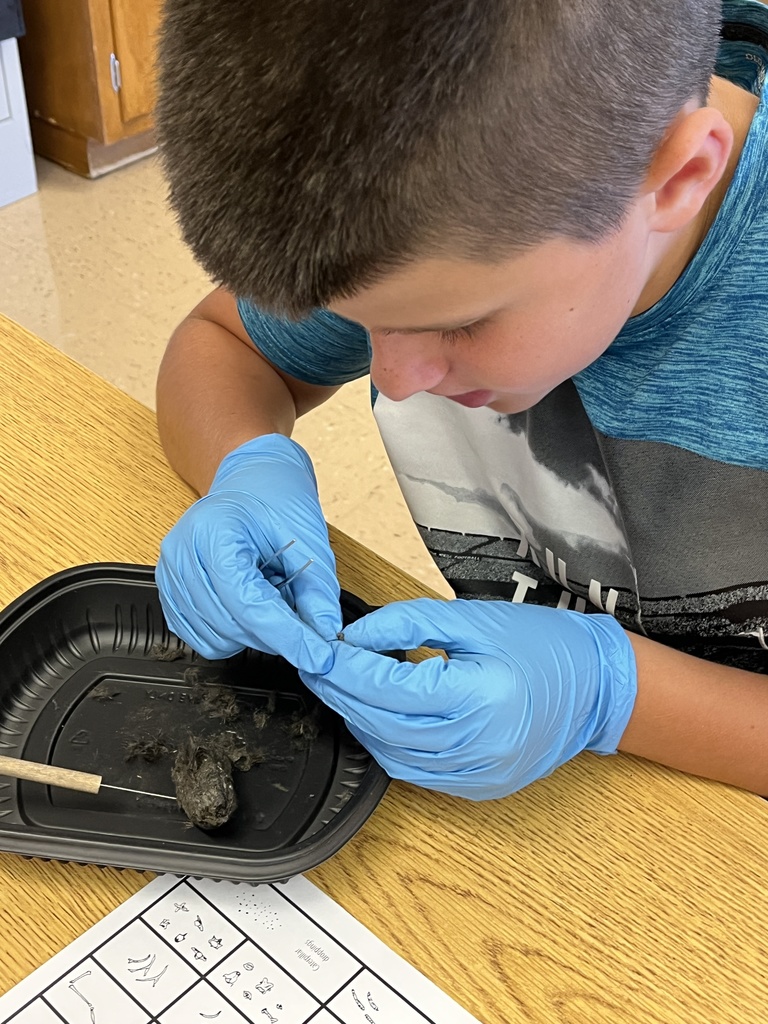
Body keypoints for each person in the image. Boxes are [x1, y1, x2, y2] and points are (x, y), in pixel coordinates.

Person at [153, 0, 768, 801]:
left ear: (676, 178)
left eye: (460, 324)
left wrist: (612, 695)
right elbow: (221, 344)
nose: (397, 380)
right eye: (357, 323)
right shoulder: (427, 209)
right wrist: (246, 464)